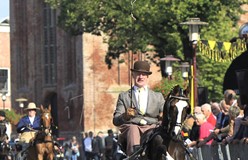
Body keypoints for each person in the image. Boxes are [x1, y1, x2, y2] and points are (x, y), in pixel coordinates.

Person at [113, 61, 165, 156]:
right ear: (133, 75)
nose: (141, 77)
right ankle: (134, 156)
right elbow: (116, 120)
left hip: (152, 126)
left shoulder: (158, 96)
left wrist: (163, 115)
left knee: (158, 136)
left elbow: (165, 115)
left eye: (143, 74)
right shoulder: (124, 96)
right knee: (133, 130)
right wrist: (125, 116)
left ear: (147, 77)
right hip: (132, 126)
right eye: (138, 74)